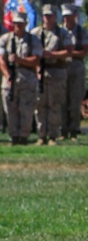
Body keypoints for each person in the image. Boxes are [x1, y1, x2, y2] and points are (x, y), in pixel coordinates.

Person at [1, 10, 41, 145]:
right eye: (16, 23)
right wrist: (7, 75)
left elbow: (36, 59)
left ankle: (23, 136)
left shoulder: (33, 40)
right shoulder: (5, 39)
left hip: (27, 77)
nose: (18, 26)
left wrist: (19, 60)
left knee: (26, 108)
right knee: (10, 108)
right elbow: (1, 59)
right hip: (10, 77)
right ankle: (13, 136)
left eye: (21, 24)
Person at [35, 5, 72, 144]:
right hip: (41, 72)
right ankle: (41, 135)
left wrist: (51, 54)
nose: (47, 18)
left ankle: (53, 136)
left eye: (50, 15)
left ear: (55, 16)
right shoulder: (35, 33)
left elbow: (68, 51)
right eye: (45, 15)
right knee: (40, 105)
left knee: (55, 105)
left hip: (57, 71)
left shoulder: (62, 33)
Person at [61, 3, 88, 139]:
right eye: (65, 16)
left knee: (75, 101)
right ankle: (62, 130)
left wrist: (67, 52)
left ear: (75, 16)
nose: (67, 19)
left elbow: (84, 51)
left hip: (77, 68)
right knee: (62, 101)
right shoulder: (59, 31)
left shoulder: (81, 31)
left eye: (69, 16)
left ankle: (74, 130)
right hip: (61, 68)